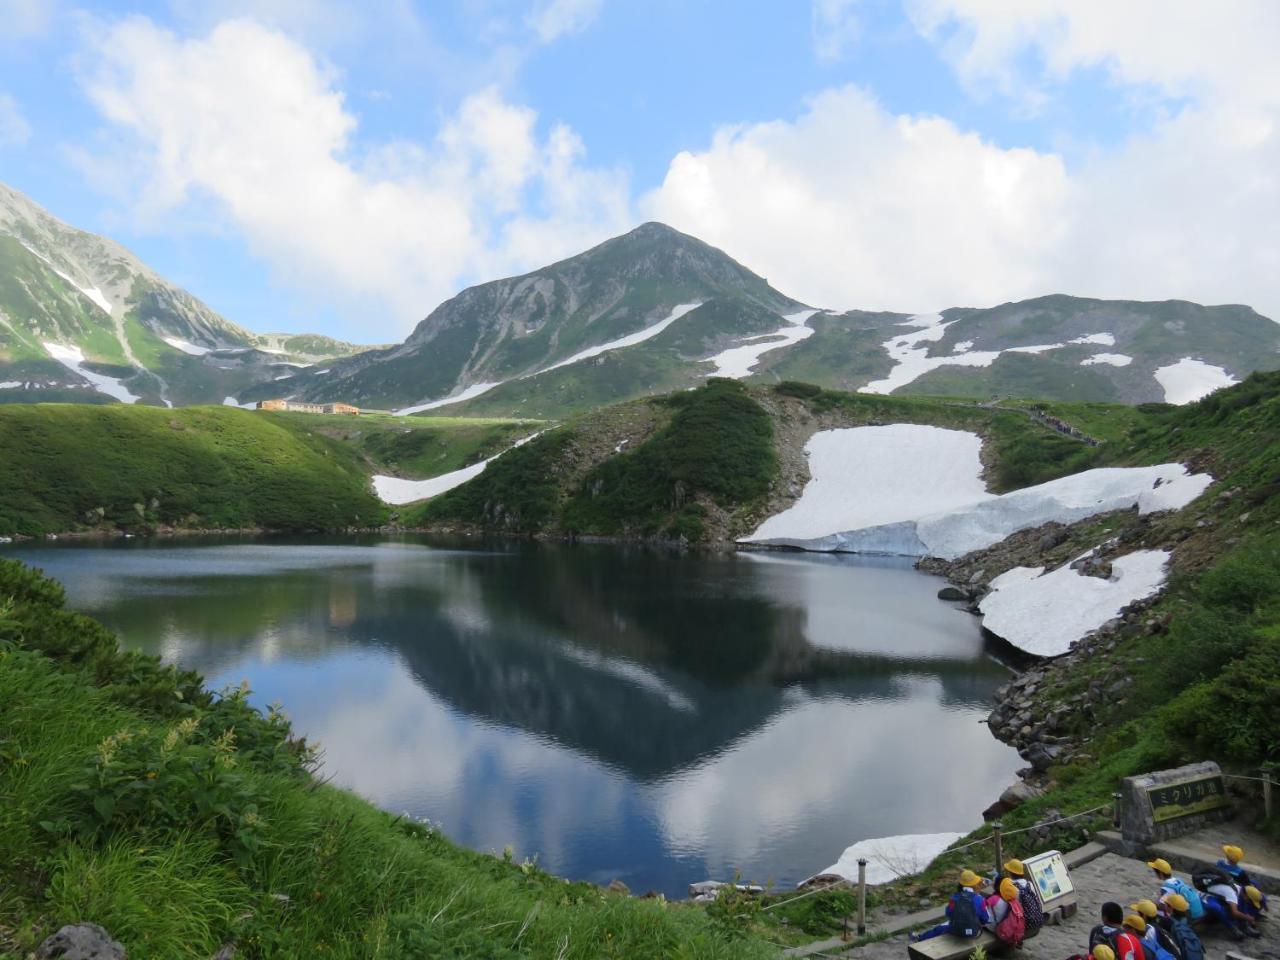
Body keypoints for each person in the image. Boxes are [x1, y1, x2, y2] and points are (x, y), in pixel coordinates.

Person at [909, 869, 991, 942]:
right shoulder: (980, 899)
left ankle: (920, 938)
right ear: (974, 885)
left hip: (956, 930)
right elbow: (986, 918)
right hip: (974, 932)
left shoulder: (954, 897)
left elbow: (948, 913)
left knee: (938, 928)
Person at [1199, 873, 1260, 939]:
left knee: (1242, 902)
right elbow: (1235, 913)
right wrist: (1248, 918)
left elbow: (1240, 904)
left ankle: (1244, 926)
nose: (1249, 902)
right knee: (1217, 909)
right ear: (1246, 895)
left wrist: (1246, 917)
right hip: (1207, 897)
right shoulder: (1232, 894)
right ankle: (1232, 927)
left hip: (1219, 897)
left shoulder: (1240, 889)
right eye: (1250, 900)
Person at [1218, 845, 1269, 919]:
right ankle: (1254, 911)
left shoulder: (1220, 862)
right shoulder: (1239, 872)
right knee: (1254, 887)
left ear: (1228, 856)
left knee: (1254, 882)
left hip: (1224, 880)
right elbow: (1247, 884)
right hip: (1234, 886)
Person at [1004, 858, 1045, 934]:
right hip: (1038, 918)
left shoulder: (1012, 887)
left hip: (1026, 922)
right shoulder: (1029, 884)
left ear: (1010, 873)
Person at [1161, 893, 1205, 960]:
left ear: (1171, 908)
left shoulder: (1167, 922)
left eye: (1166, 904)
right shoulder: (1188, 917)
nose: (1165, 905)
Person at [985, 877, 1026, 947]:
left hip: (996, 928)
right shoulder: (1014, 901)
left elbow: (981, 907)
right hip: (1008, 926)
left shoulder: (994, 898)